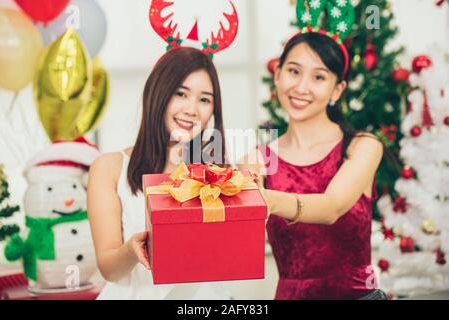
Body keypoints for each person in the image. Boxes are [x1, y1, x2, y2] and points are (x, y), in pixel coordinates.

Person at [239, 30, 387, 299]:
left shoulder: (362, 146)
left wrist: (265, 200)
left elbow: (331, 208)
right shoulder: (257, 160)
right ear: (277, 75)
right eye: (294, 71)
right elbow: (239, 239)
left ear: (337, 90)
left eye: (318, 77)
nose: (302, 87)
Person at [87, 47, 231, 299]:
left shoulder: (219, 176)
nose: (192, 109)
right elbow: (108, 268)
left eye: (205, 99)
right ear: (157, 93)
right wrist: (131, 251)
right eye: (181, 94)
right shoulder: (109, 168)